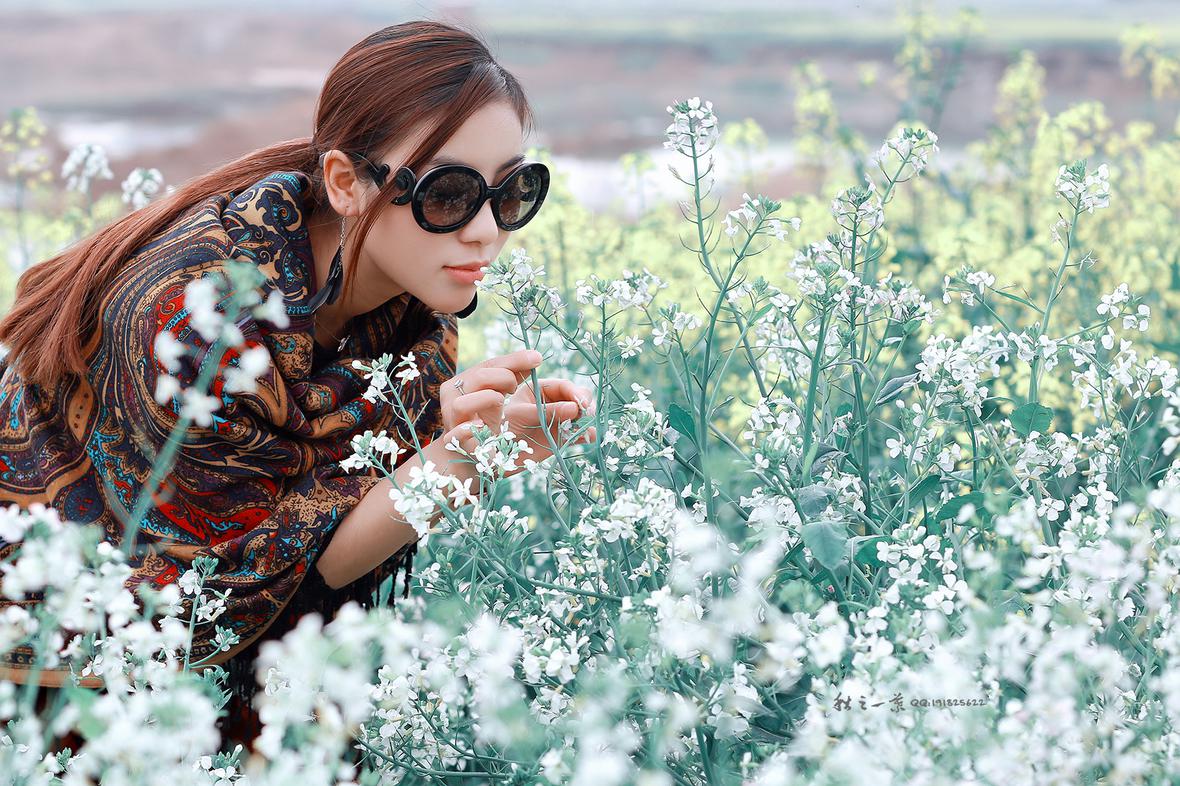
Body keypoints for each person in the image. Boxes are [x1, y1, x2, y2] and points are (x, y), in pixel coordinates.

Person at [0, 19, 597, 752]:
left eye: (512, 192)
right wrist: (441, 461)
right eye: (448, 195)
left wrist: (464, 455)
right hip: (63, 680)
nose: (485, 232)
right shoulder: (193, 318)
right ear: (346, 183)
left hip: (240, 683)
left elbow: (320, 555)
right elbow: (233, 580)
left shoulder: (415, 318)